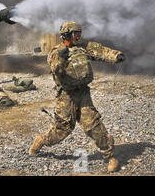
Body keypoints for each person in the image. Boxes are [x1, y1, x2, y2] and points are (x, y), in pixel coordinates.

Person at [28, 21, 125, 172]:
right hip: (66, 95)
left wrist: (116, 56)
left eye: (79, 33)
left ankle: (110, 155)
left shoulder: (84, 48)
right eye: (75, 34)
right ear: (66, 34)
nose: (78, 37)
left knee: (93, 124)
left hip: (83, 93)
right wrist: (62, 57)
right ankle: (41, 141)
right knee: (62, 129)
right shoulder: (56, 51)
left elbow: (101, 51)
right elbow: (55, 68)